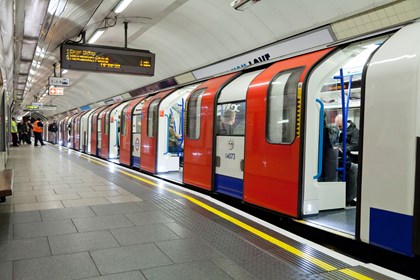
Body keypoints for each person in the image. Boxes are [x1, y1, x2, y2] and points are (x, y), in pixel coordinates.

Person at [334, 114, 359, 206]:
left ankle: (351, 198)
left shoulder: (355, 132)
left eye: (340, 126)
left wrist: (343, 148)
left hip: (351, 157)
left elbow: (355, 145)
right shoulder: (340, 132)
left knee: (353, 169)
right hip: (341, 156)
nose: (339, 128)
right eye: (337, 126)